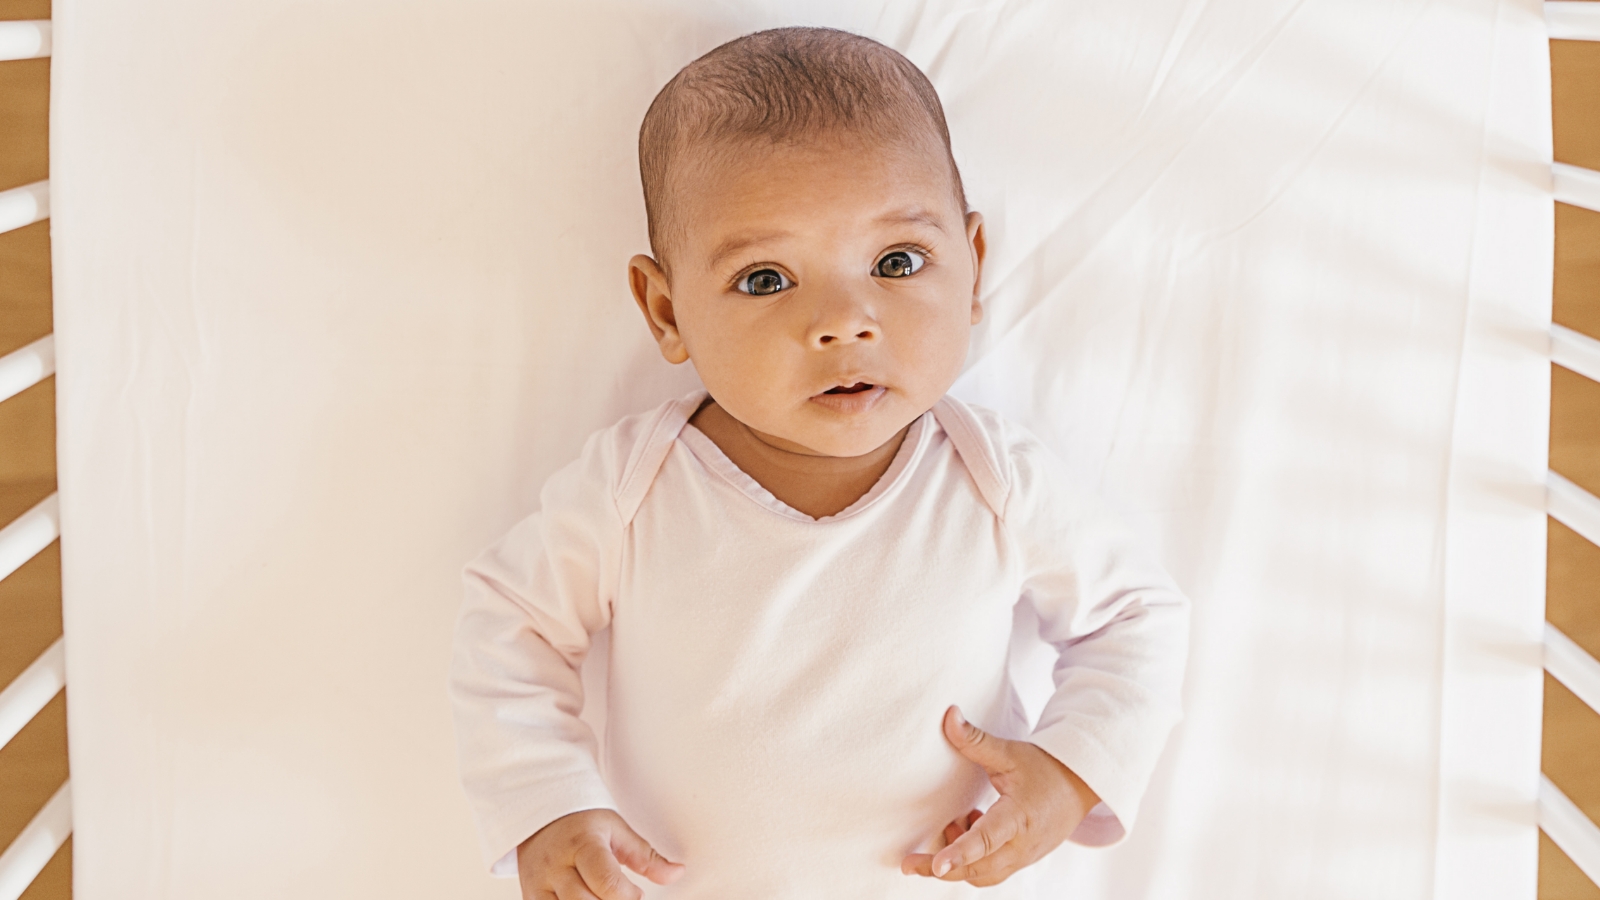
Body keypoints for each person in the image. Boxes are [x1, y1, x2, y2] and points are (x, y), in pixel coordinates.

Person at [450, 26, 1189, 900]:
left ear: (975, 264)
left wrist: (1072, 771)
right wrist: (545, 802)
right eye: (767, 279)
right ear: (666, 309)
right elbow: (510, 625)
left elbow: (1135, 618)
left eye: (897, 262)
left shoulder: (992, 480)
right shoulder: (635, 487)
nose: (844, 320)